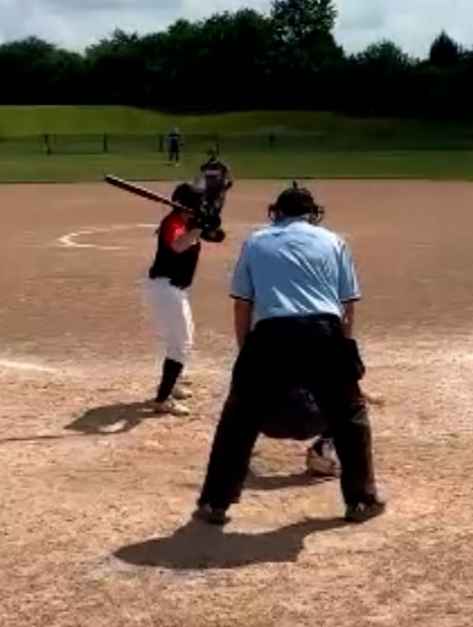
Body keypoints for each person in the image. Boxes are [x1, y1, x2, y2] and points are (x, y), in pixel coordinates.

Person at [193, 184, 384, 526]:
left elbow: (242, 305)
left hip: (270, 333)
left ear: (276, 212)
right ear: (312, 214)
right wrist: (341, 351)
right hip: (324, 331)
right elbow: (347, 307)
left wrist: (247, 353)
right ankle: (360, 500)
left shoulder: (256, 242)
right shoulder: (333, 241)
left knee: (239, 418)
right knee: (349, 412)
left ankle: (214, 503)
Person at [143, 183, 223, 416]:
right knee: (182, 342)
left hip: (172, 289)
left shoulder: (187, 222)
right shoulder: (173, 223)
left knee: (178, 340)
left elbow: (218, 236)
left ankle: (173, 384)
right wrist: (198, 227)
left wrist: (208, 224)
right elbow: (178, 246)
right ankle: (162, 399)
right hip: (166, 288)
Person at [197, 148, 233, 214]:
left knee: (217, 207)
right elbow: (200, 176)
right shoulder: (205, 166)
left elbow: (229, 175)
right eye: (210, 154)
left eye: (213, 154)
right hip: (209, 190)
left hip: (219, 190)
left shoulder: (222, 166)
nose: (212, 156)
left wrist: (228, 185)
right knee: (206, 206)